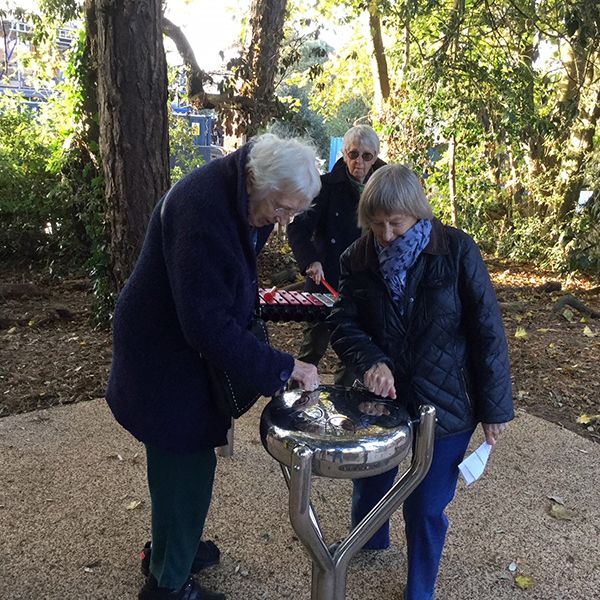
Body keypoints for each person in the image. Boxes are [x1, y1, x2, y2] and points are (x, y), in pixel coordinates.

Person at [106, 133, 322, 600]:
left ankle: (168, 550)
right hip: (162, 353)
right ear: (256, 180)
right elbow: (205, 325)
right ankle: (168, 584)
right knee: (186, 461)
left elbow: (231, 279)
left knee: (176, 462)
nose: (283, 223)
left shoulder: (246, 194)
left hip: (177, 346)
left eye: (292, 214)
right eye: (282, 210)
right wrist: (282, 367)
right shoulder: (203, 210)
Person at [327, 164, 514, 600]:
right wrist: (370, 360)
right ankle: (369, 539)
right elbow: (343, 321)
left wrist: (495, 408)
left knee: (426, 504)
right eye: (376, 224)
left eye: (396, 223)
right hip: (384, 396)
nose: (386, 235)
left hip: (447, 398)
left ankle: (420, 588)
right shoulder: (357, 257)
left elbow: (488, 330)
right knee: (372, 476)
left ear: (417, 214)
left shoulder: (456, 250)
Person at [287, 124, 385, 385]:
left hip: (367, 283)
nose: (359, 162)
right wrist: (310, 260)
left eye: (367, 156)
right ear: (344, 154)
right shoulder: (326, 186)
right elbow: (297, 228)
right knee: (313, 347)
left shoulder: (385, 185)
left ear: (375, 156)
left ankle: (344, 409)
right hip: (326, 280)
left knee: (354, 351)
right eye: (353, 154)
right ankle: (296, 399)